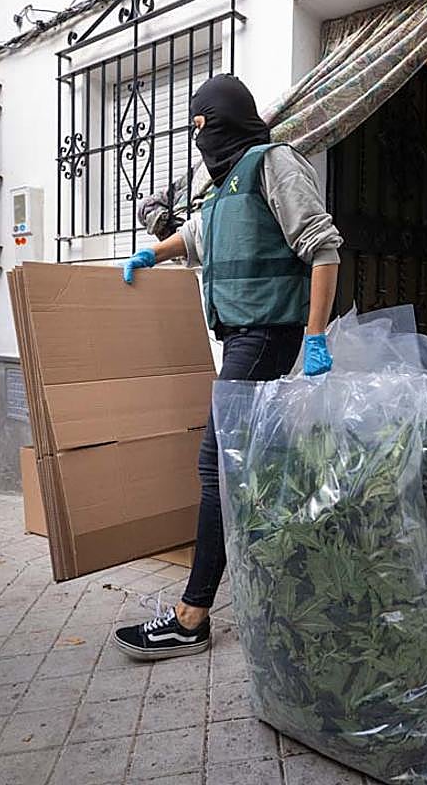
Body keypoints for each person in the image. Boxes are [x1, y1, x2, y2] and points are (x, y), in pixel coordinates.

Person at [113, 74, 341, 660]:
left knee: (215, 464)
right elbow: (197, 236)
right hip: (244, 335)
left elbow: (322, 246)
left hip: (267, 334)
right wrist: (152, 254)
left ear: (227, 120)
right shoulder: (225, 185)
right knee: (246, 467)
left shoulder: (275, 162)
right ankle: (271, 580)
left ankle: (192, 617)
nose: (198, 137)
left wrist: (315, 337)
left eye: (202, 125)